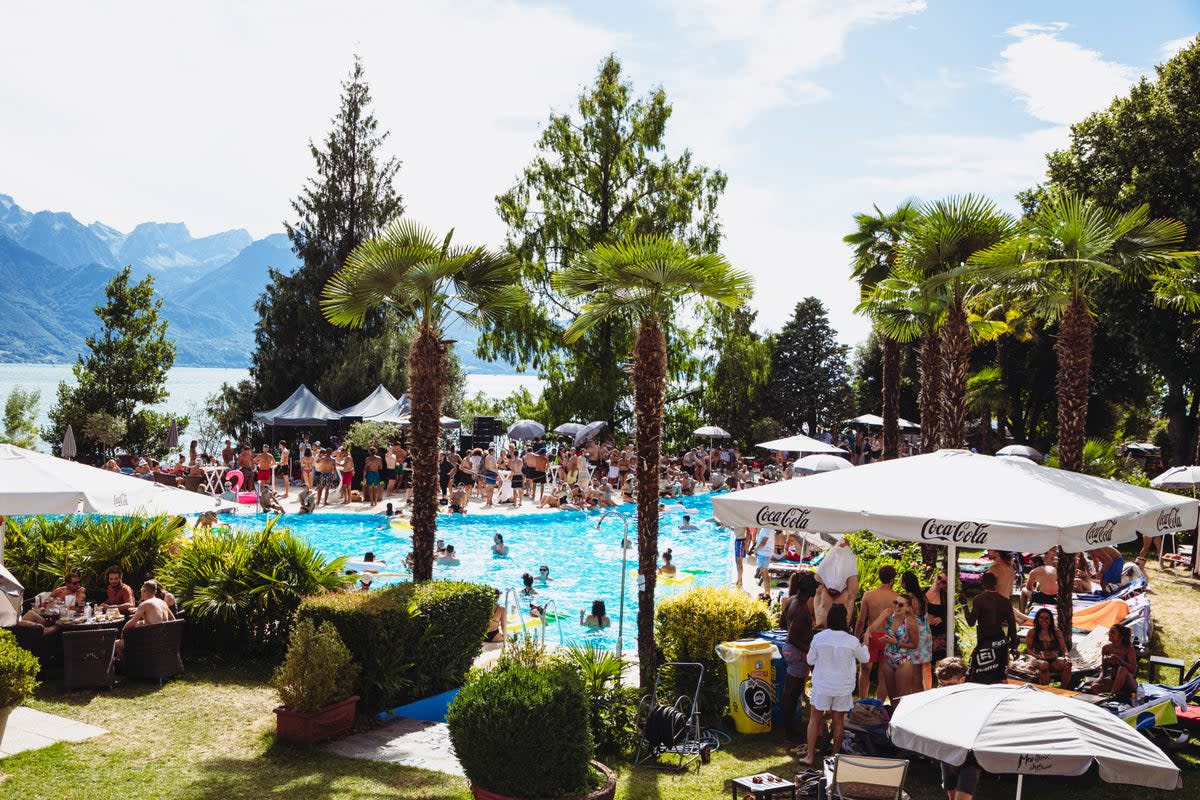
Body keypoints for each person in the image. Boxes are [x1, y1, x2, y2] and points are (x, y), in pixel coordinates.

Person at [796, 605, 869, 765]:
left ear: (829, 618)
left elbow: (810, 660)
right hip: (842, 686)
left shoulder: (819, 638)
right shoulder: (852, 641)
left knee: (814, 719)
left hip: (822, 684)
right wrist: (866, 644)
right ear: (845, 619)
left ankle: (809, 756)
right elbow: (864, 658)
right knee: (838, 721)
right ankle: (835, 756)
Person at [933, 658, 982, 800]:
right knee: (952, 795)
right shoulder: (939, 696)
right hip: (948, 753)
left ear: (962, 680)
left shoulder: (974, 699)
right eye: (943, 684)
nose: (946, 689)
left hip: (970, 755)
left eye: (950, 684)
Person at [963, 572, 1017, 684]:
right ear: (996, 584)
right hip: (1000, 641)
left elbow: (971, 622)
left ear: (982, 584)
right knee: (1000, 677)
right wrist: (1014, 647)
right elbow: (1012, 625)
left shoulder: (979, 599)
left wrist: (964, 606)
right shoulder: (1005, 601)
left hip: (985, 642)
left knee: (978, 675)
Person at [781, 572, 816, 741]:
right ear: (809, 590)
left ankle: (788, 728)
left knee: (790, 692)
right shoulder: (801, 610)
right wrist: (810, 651)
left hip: (789, 650)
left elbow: (782, 623)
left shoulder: (791, 600)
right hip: (796, 652)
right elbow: (794, 638)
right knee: (792, 693)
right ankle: (789, 731)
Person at [856, 565, 899, 699]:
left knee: (865, 671)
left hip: (872, 636)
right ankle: (879, 705)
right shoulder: (897, 598)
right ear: (892, 580)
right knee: (883, 674)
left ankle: (863, 701)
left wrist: (856, 637)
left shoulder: (869, 595)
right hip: (887, 637)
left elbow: (861, 620)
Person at [866, 592, 918, 700]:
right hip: (887, 659)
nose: (896, 606)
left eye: (901, 605)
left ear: (908, 608)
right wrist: (867, 635)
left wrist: (897, 643)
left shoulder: (910, 622)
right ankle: (891, 716)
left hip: (903, 661)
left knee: (902, 698)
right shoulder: (889, 613)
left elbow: (915, 644)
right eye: (895, 602)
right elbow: (873, 627)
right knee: (892, 697)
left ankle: (902, 717)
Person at [115, 580, 175, 660]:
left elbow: (131, 623)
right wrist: (145, 622)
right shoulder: (162, 603)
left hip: (150, 643)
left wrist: (123, 632)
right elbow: (173, 620)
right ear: (155, 591)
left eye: (141, 591)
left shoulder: (144, 604)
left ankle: (125, 668)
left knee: (117, 644)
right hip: (164, 641)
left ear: (144, 590)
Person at [901, 571, 934, 694]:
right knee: (923, 666)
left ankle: (915, 694)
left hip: (914, 631)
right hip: (925, 631)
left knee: (914, 669)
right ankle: (925, 691)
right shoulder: (922, 596)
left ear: (905, 583)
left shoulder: (908, 598)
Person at [815, 537, 859, 628]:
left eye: (845, 549)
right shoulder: (823, 572)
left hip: (839, 630)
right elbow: (815, 593)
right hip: (822, 628)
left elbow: (851, 599)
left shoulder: (850, 577)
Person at [1086, 626, 1138, 696]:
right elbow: (1103, 670)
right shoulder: (1106, 648)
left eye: (1113, 632)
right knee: (1094, 686)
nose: (1109, 634)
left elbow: (1134, 670)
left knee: (1122, 669)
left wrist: (1120, 660)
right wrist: (1100, 678)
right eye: (1110, 632)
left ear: (1121, 637)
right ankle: (1103, 698)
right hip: (1113, 681)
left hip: (1128, 683)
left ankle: (1112, 695)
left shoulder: (1129, 649)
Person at [1025, 608, 1071, 686]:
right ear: (1037, 619)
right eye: (1041, 618)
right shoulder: (1032, 632)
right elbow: (1028, 649)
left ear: (1050, 620)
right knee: (1044, 664)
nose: (1044, 620)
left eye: (1047, 618)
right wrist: (1037, 656)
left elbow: (1063, 648)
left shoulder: (1056, 632)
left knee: (1067, 665)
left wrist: (1066, 657)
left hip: (1053, 659)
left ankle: (1064, 690)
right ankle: (1045, 690)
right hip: (1037, 659)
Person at [925, 571, 949, 664]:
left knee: (938, 660)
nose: (939, 582)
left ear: (945, 585)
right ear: (936, 576)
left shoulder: (945, 597)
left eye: (943, 582)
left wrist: (941, 618)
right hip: (923, 632)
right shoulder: (923, 591)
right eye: (939, 578)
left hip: (937, 634)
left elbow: (948, 615)